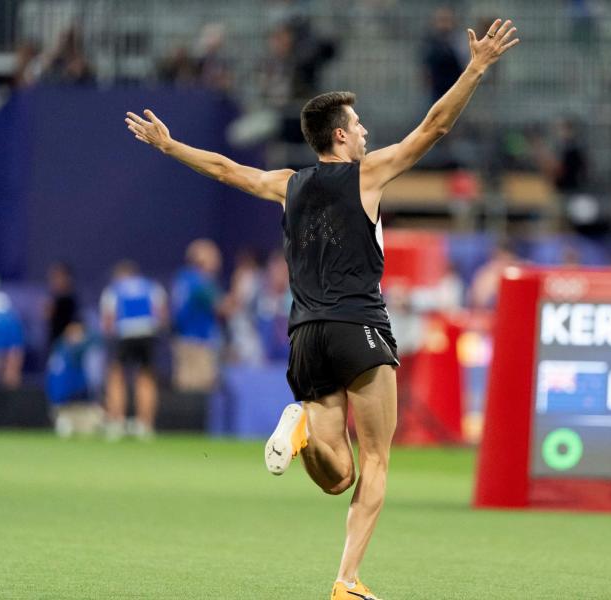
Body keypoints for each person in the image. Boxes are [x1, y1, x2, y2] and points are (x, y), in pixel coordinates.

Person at [125, 18, 519, 599]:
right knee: (378, 461)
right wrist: (477, 69)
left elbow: (227, 169)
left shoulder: (288, 182)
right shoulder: (368, 175)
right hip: (359, 325)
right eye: (356, 126)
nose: (364, 133)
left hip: (305, 334)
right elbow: (435, 127)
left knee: (338, 477)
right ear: (339, 137)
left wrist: (169, 145)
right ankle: (346, 580)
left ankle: (305, 428)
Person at [100, 260, 167, 440]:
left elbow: (108, 320)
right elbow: (161, 315)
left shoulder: (114, 289)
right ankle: (145, 424)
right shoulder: (152, 287)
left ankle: (117, 421)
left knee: (116, 376)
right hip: (147, 333)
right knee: (146, 377)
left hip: (124, 334)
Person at [171, 239, 222, 391]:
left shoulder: (182, 277)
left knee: (185, 384)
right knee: (200, 388)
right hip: (199, 342)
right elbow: (221, 306)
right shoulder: (201, 280)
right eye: (213, 257)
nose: (217, 261)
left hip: (182, 339)